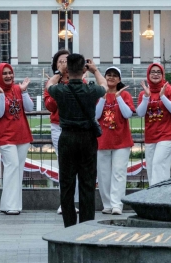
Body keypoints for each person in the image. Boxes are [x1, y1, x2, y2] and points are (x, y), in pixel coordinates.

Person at [46, 53, 106, 227]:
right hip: (87, 138)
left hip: (67, 137)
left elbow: (49, 84)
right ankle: (86, 225)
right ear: (83, 69)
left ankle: (69, 225)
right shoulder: (90, 89)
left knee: (67, 183)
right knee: (87, 183)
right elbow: (103, 85)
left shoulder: (61, 90)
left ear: (68, 69)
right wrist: (95, 70)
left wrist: (59, 71)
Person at [0, 62, 34, 215]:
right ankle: (11, 205)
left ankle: (11, 205)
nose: (8, 76)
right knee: (12, 166)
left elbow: (29, 108)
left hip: (22, 135)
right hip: (5, 136)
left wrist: (24, 91)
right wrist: (1, 94)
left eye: (10, 73)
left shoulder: (17, 89)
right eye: (4, 74)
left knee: (18, 170)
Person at [95, 67, 134, 215]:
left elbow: (128, 113)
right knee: (103, 174)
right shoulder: (99, 94)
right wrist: (103, 98)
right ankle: (107, 204)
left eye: (114, 76)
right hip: (102, 140)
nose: (111, 78)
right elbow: (96, 115)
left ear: (119, 79)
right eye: (108, 75)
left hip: (121, 140)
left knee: (119, 172)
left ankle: (117, 204)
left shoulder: (125, 95)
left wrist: (118, 97)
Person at [136, 62, 171, 186]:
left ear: (163, 74)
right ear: (148, 74)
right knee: (151, 167)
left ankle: (157, 198)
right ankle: (157, 194)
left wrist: (163, 96)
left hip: (167, 134)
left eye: (158, 72)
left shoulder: (170, 90)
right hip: (151, 136)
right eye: (153, 72)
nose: (155, 74)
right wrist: (146, 96)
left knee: (158, 164)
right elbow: (140, 113)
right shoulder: (143, 93)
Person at [44, 48, 76, 214]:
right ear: (56, 65)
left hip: (75, 126)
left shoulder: (78, 81)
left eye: (67, 61)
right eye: (61, 61)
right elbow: (50, 105)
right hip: (58, 126)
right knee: (64, 164)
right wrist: (56, 82)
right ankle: (65, 202)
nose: (64, 64)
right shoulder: (51, 84)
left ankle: (74, 201)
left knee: (76, 165)